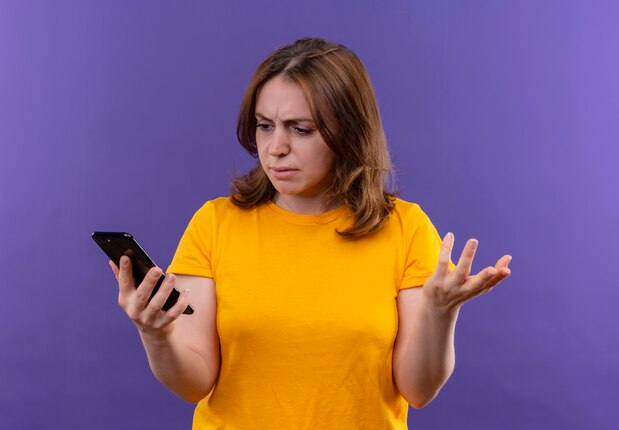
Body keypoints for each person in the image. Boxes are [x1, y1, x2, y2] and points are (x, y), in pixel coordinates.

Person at [109, 38, 512, 429]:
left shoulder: (405, 229)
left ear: (348, 133)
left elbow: (418, 390)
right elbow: (194, 383)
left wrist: (440, 314)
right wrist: (156, 333)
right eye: (265, 126)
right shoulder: (215, 223)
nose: (275, 147)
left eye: (301, 129)